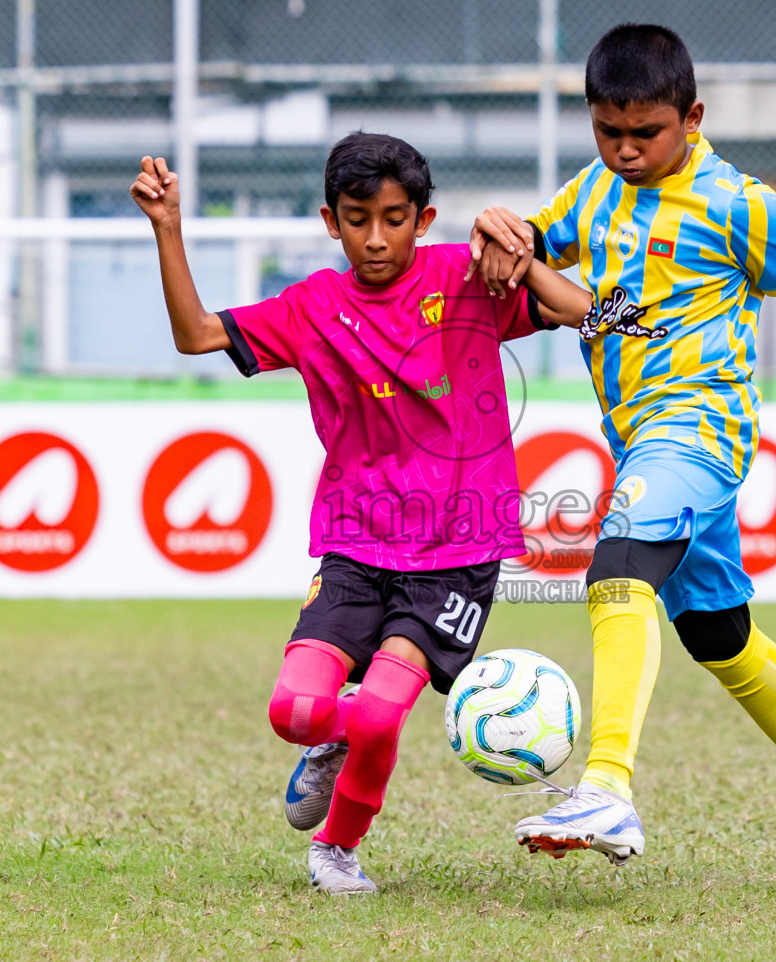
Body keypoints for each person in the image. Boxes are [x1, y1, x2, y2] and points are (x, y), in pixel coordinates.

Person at [468, 23, 776, 889]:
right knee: (718, 634)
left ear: (692, 117)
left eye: (646, 133)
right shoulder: (591, 192)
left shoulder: (736, 202)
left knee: (615, 567)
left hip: (699, 430)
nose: (626, 150)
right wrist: (501, 237)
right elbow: (540, 260)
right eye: (608, 131)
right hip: (638, 433)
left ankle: (607, 786)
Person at [129, 133, 592, 894]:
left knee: (378, 714)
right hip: (355, 543)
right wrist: (168, 227)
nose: (376, 237)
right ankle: (326, 746)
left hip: (458, 550)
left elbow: (589, 313)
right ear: (329, 220)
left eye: (395, 217)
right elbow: (196, 335)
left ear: (425, 217)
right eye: (357, 219)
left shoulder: (468, 278)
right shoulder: (313, 306)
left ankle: (336, 850)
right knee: (296, 709)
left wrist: (521, 245)